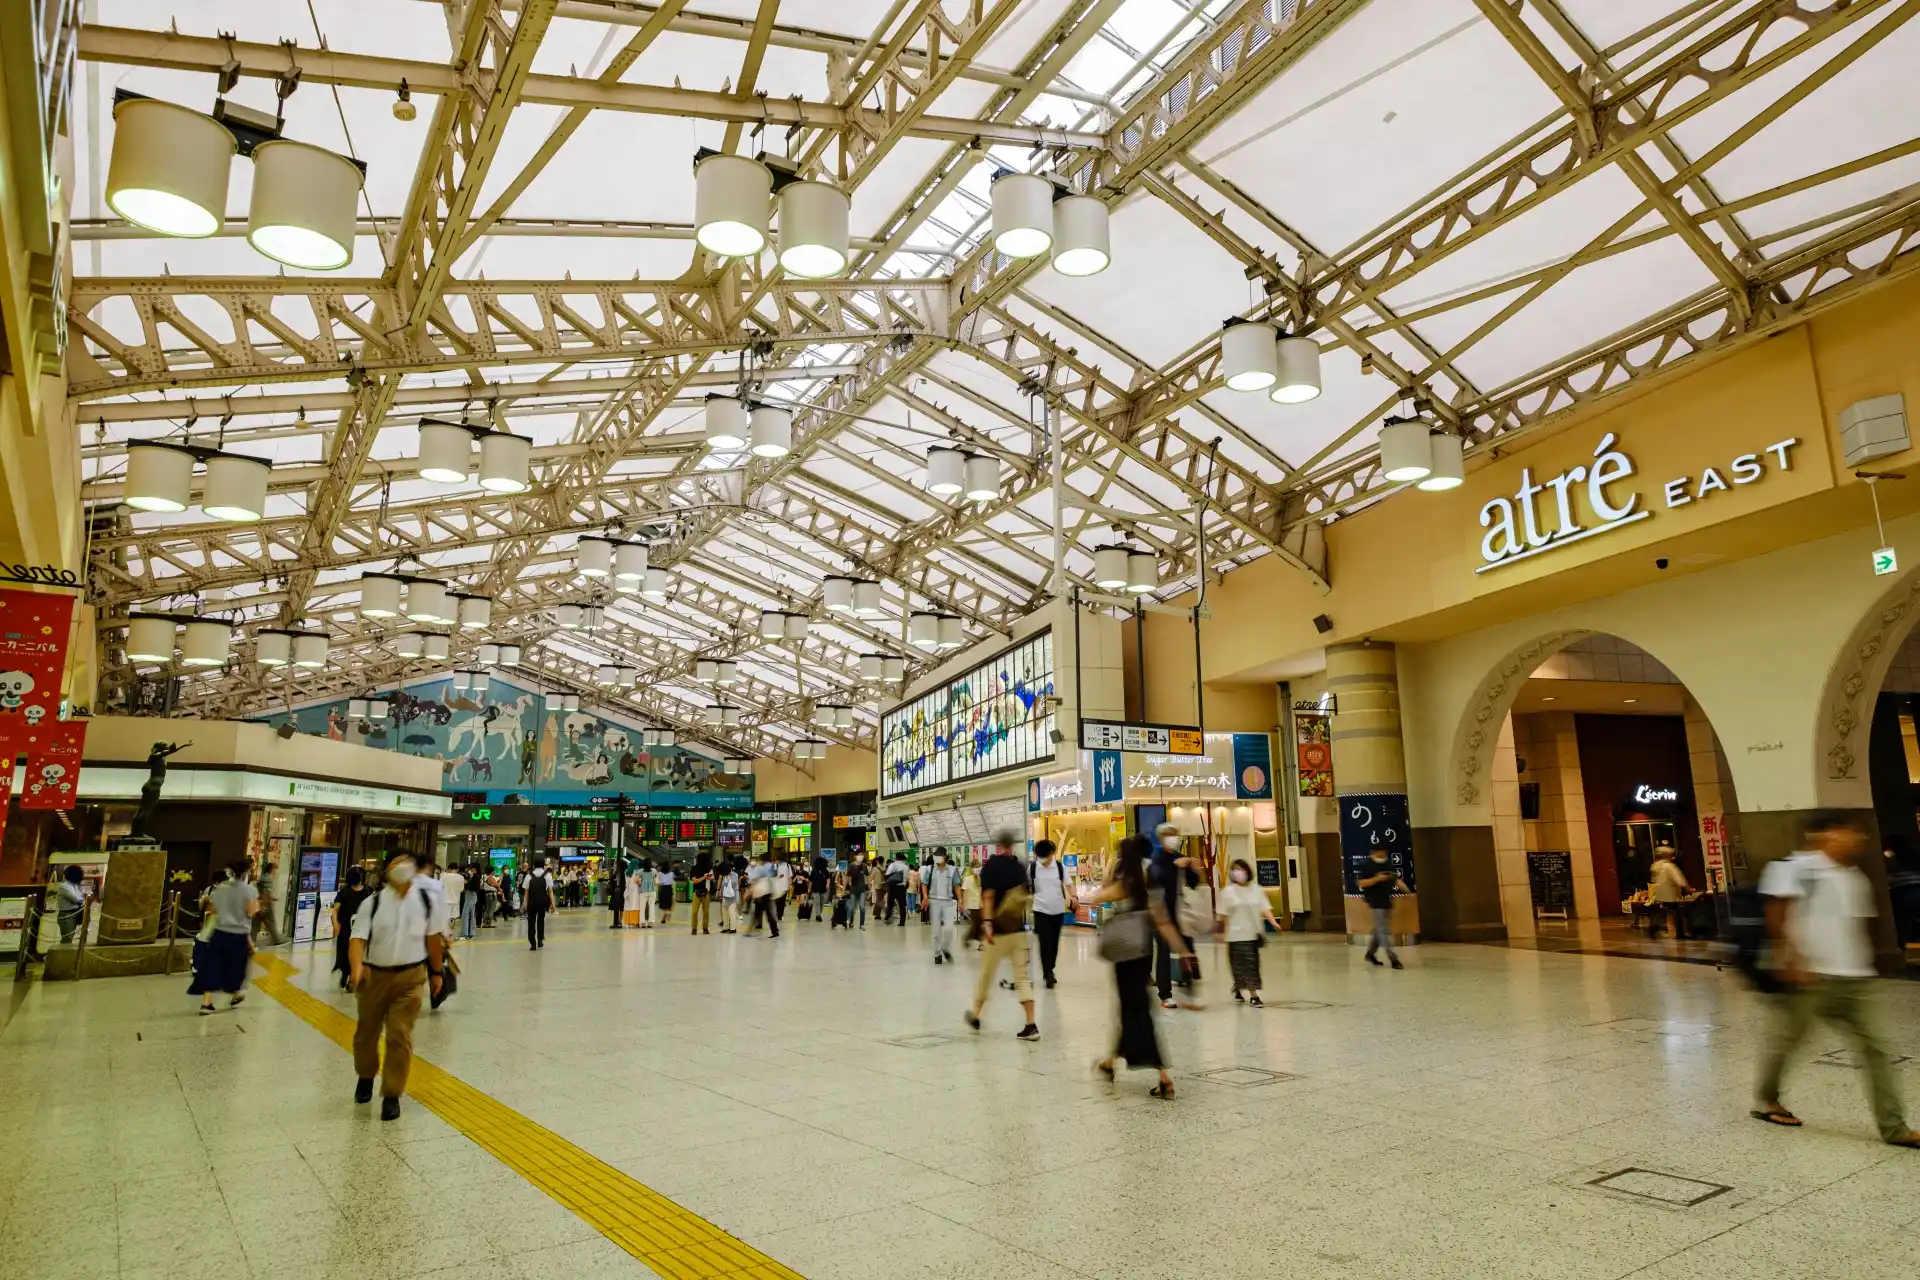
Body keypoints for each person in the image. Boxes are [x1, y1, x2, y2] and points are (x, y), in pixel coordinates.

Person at [1752, 814, 1920, 1147]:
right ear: (1825, 834)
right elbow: (1777, 914)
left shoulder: (1855, 876)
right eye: (1849, 833)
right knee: (1789, 1041)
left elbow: (1856, 926)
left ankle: (1894, 1128)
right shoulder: (1793, 868)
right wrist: (1790, 958)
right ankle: (1766, 1098)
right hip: (1810, 978)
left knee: (1877, 1049)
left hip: (1853, 980)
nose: (1857, 841)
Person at [348, 851, 446, 1122]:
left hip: (411, 977)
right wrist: (356, 968)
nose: (402, 868)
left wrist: (437, 972)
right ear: (386, 872)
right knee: (366, 1033)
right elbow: (357, 939)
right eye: (395, 863)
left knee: (399, 1035)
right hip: (374, 976)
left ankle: (392, 1094)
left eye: (407, 863)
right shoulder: (373, 903)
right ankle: (366, 1076)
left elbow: (433, 938)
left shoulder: (426, 902)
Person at [1094, 836, 1189, 1097]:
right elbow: (1163, 922)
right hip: (1143, 951)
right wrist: (1182, 950)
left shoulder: (1126, 882)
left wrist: (1108, 870)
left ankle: (1164, 1076)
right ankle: (1110, 1062)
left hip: (1124, 955)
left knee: (1137, 1014)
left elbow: (1097, 896)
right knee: (1131, 1009)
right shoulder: (1150, 879)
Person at [965, 833, 1038, 1040]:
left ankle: (976, 1015)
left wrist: (987, 924)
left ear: (997, 846)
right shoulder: (1019, 867)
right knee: (1022, 978)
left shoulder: (992, 866)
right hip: (1018, 931)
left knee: (986, 975)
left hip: (996, 933)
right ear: (1012, 846)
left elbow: (988, 896)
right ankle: (1031, 1023)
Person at [192, 859, 256, 1015]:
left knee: (212, 966)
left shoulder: (220, 889)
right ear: (245, 873)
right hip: (238, 936)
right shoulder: (249, 891)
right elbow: (250, 912)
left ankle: (206, 1003)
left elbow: (213, 910)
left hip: (219, 933)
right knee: (235, 967)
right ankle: (235, 994)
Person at [1217, 859, 1282, 1006]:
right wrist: (1222, 934)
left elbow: (1264, 907)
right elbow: (1223, 915)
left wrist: (1273, 922)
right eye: (1234, 870)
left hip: (1252, 934)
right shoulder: (1227, 892)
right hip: (1234, 935)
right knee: (1238, 965)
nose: (1238, 872)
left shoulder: (1256, 890)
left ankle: (1247, 991)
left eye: (1240, 869)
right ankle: (1246, 991)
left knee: (1251, 965)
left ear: (1247, 871)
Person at [1150, 824, 1201, 1006]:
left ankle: (1188, 979)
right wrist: (1175, 866)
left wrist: (1194, 870)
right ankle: (1165, 994)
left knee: (1187, 944)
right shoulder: (1156, 857)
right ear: (1161, 837)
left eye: (1175, 835)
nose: (1173, 838)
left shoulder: (1179, 857)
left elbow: (1193, 883)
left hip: (1178, 910)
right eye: (1169, 835)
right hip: (1161, 912)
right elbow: (1157, 878)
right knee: (1163, 951)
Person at [1029, 840, 1072, 989]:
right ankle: (1048, 973)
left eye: (1045, 856)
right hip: (1040, 911)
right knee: (1044, 943)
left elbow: (1069, 885)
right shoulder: (1033, 868)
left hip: (1058, 911)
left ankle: (1050, 967)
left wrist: (1075, 897)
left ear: (1052, 854)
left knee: (1054, 943)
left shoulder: (1060, 867)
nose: (1042, 860)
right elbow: (1026, 887)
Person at [1357, 845, 1406, 969]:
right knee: (1384, 930)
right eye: (1382, 851)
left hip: (1386, 899)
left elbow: (1395, 879)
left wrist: (1406, 891)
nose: (1384, 853)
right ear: (1376, 851)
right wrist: (1377, 879)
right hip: (1375, 900)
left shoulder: (1387, 863)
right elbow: (1361, 882)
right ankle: (1393, 958)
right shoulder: (1368, 865)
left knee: (1378, 929)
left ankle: (1370, 954)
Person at [330, 866, 370, 991]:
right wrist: (336, 924)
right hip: (346, 926)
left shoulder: (368, 891)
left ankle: (354, 979)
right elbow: (335, 910)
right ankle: (345, 973)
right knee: (345, 952)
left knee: (360, 953)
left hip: (362, 927)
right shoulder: (345, 892)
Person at [1648, 846, 1692, 939]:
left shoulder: (1655, 866)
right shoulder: (1669, 866)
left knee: (1663, 912)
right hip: (1671, 894)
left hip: (1659, 893)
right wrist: (1687, 887)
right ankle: (1679, 933)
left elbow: (1653, 879)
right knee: (1677, 913)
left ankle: (1653, 928)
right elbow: (1679, 879)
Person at [925, 849, 958, 963]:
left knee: (949, 928)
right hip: (934, 901)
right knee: (935, 930)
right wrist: (925, 897)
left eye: (939, 856)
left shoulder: (953, 870)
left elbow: (957, 885)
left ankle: (944, 947)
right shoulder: (930, 869)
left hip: (948, 902)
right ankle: (937, 954)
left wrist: (962, 900)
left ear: (945, 856)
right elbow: (924, 883)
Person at [249, 861, 283, 948]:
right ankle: (277, 940)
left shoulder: (262, 877)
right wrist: (267, 902)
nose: (276, 872)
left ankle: (251, 942)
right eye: (275, 869)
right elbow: (266, 892)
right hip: (266, 903)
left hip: (259, 902)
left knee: (255, 923)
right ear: (271, 869)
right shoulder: (267, 879)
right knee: (270, 922)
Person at [521, 861, 553, 951]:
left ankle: (532, 944)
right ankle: (540, 940)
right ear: (543, 865)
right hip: (543, 902)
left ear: (534, 865)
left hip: (532, 902)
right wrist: (553, 905)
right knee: (541, 920)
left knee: (531, 922)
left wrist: (525, 904)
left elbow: (526, 893)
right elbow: (550, 892)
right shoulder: (547, 876)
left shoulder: (529, 876)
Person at [54, 864, 87, 944]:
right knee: (67, 939)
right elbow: (77, 899)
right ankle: (62, 955)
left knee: (69, 939)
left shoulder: (74, 885)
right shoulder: (65, 886)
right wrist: (83, 898)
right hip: (67, 915)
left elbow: (82, 897)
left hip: (73, 913)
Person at [750, 853, 780, 938]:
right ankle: (775, 931)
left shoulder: (764, 867)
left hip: (763, 894)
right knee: (764, 913)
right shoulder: (770, 866)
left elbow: (758, 877)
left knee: (760, 913)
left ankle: (751, 930)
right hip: (767, 892)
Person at [440, 860, 468, 942]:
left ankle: (444, 934)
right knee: (452, 918)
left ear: (448, 868)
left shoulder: (443, 876)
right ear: (457, 869)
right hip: (455, 900)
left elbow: (440, 887)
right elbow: (462, 889)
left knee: (445, 918)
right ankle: (449, 933)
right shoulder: (460, 877)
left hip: (444, 900)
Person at [961, 859, 983, 948]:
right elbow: (964, 892)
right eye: (976, 867)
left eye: (979, 867)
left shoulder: (979, 878)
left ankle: (968, 938)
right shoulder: (967, 879)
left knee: (977, 924)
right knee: (976, 924)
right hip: (971, 905)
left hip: (979, 905)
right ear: (972, 868)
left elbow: (980, 892)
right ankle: (980, 942)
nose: (977, 869)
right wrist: (964, 905)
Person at [884, 853, 909, 926]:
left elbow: (887, 874)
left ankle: (887, 918)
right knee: (902, 905)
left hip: (892, 886)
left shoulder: (892, 865)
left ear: (896, 858)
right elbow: (906, 878)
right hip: (901, 887)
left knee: (890, 903)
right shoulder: (906, 866)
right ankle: (902, 922)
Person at [720, 857, 741, 933]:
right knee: (724, 913)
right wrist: (720, 894)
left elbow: (733, 884)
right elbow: (723, 885)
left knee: (731, 913)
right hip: (725, 897)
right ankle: (725, 927)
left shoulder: (735, 875)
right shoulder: (724, 875)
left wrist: (728, 879)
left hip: (732, 897)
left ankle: (733, 928)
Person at [848, 854, 870, 929]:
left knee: (862, 907)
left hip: (862, 890)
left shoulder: (864, 866)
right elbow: (849, 878)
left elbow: (868, 878)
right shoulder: (851, 865)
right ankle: (851, 922)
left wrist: (869, 889)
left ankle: (861, 924)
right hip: (854, 889)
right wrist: (847, 887)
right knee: (852, 908)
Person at [812, 853, 833, 923]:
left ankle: (819, 914)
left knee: (822, 903)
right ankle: (818, 915)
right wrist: (809, 888)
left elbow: (828, 878)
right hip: (815, 889)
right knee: (817, 902)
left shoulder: (826, 871)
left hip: (823, 889)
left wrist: (827, 884)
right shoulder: (813, 871)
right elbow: (810, 880)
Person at [773, 855, 793, 923]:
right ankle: (776, 915)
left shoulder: (787, 865)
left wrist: (790, 884)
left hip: (785, 887)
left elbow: (789, 876)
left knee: (782, 902)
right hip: (777, 887)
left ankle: (780, 916)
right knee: (776, 902)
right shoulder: (775, 865)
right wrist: (778, 876)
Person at [656, 862, 676, 926]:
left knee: (663, 904)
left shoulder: (660, 873)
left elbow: (657, 881)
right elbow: (673, 880)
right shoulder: (671, 873)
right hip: (669, 889)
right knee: (668, 904)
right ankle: (666, 915)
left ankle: (665, 916)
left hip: (662, 889)